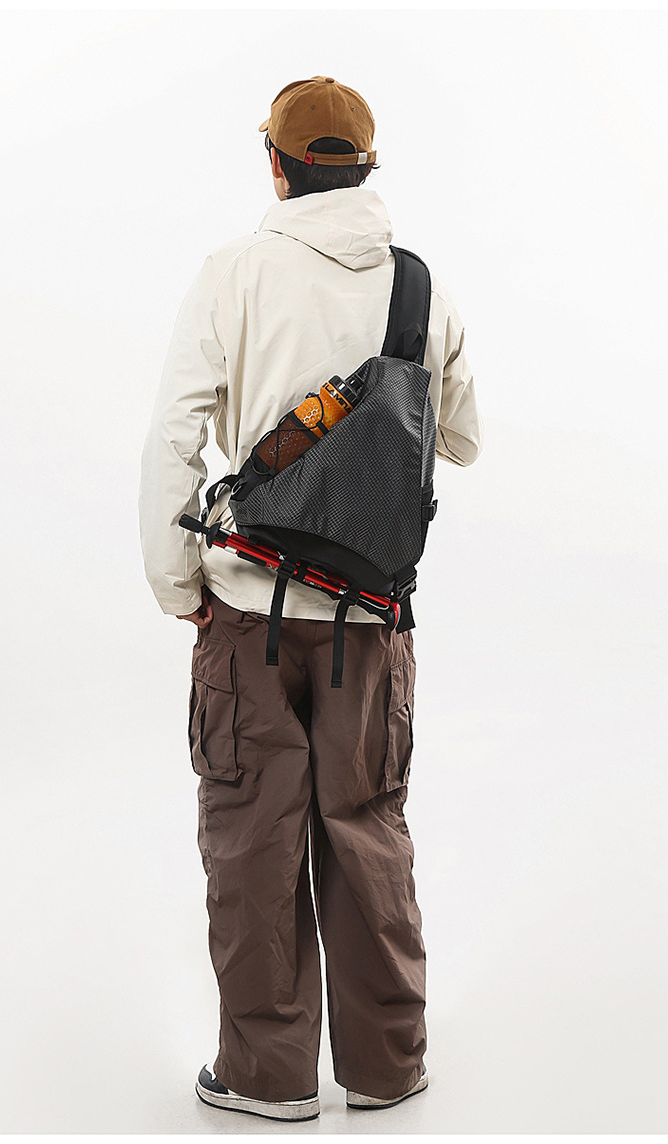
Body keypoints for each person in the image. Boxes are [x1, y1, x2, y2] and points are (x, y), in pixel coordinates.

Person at [138, 75, 484, 1123]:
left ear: (278, 167)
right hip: (371, 621)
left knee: (252, 839)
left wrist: (178, 583)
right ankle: (388, 1066)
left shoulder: (235, 273)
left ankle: (266, 1077)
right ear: (367, 167)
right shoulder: (419, 287)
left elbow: (173, 437)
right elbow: (462, 439)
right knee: (369, 830)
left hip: (244, 615)